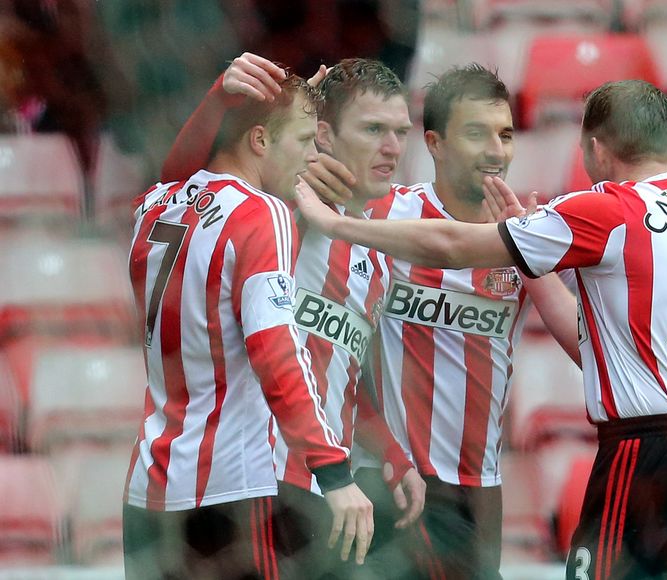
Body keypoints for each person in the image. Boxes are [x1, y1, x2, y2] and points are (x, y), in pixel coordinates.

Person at [295, 79, 667, 580]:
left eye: (505, 135)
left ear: (596, 147)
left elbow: (451, 246)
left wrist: (333, 221)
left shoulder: (605, 208)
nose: (495, 150)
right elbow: (600, 348)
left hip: (638, 453)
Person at [159, 54, 426, 580]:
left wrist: (393, 453)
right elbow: (180, 190)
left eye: (401, 131)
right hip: (261, 480)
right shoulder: (276, 208)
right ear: (320, 135)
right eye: (373, 129)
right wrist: (220, 103)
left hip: (327, 491)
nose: (393, 148)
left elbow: (340, 372)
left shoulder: (373, 253)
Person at [123, 70, 374, 580]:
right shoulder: (262, 213)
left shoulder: (153, 206)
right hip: (230, 492)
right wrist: (333, 471)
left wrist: (225, 99)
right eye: (304, 140)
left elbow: (178, 170)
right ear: (259, 139)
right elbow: (275, 349)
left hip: (149, 488)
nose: (312, 158)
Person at [355, 64, 578, 579]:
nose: (495, 152)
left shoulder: (528, 234)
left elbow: (585, 346)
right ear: (433, 143)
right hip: (394, 479)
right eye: (476, 134)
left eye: (504, 135)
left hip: (479, 489)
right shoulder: (384, 217)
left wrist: (531, 258)